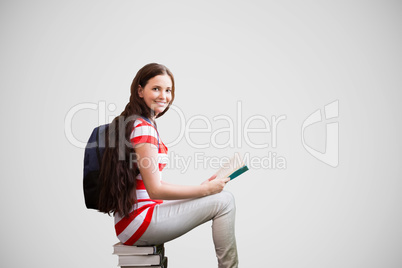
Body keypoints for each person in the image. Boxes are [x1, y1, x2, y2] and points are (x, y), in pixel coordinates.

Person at [98, 63, 238, 268]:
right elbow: (155, 190)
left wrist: (202, 191)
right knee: (225, 201)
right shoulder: (143, 128)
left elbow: (148, 186)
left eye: (168, 90)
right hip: (139, 222)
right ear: (140, 91)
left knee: (217, 197)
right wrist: (203, 190)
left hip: (134, 220)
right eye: (156, 89)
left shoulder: (137, 123)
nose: (163, 96)